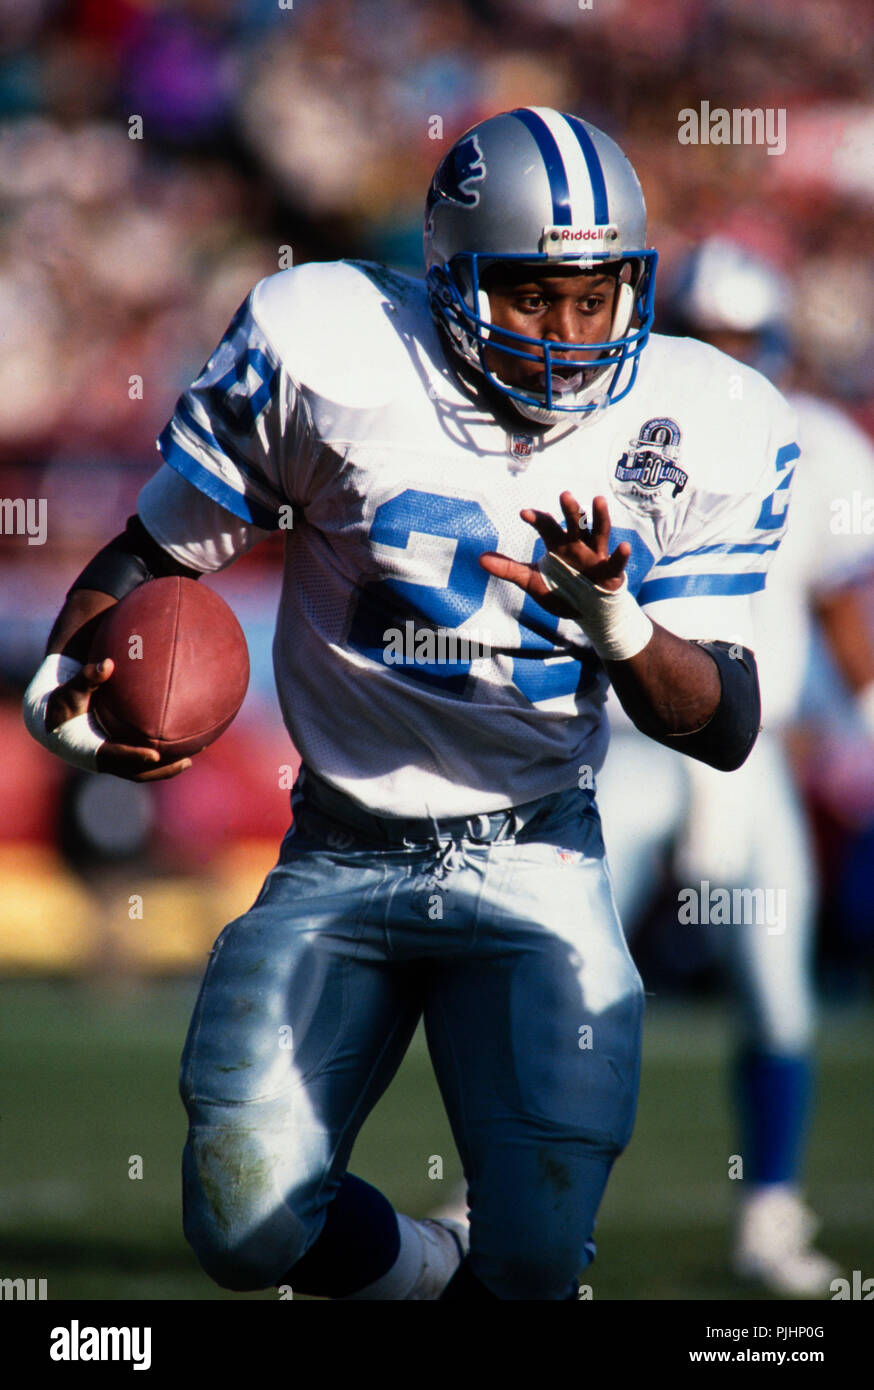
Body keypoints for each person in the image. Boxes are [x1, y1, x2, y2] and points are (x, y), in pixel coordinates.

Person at [23, 110, 794, 1300]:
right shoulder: (328, 349)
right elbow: (155, 555)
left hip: (537, 851)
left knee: (536, 1262)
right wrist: (63, 687)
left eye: (596, 298)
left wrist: (623, 629)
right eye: (533, 295)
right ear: (449, 279)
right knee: (246, 1225)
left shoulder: (700, 419)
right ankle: (433, 1274)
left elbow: (725, 723)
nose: (569, 333)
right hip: (340, 849)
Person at [594, 238, 874, 1295]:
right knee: (554, 967)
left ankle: (769, 1209)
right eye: (705, 336)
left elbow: (839, 606)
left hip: (738, 755)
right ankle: (497, 1184)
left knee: (774, 987)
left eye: (739, 339)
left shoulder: (824, 448)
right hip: (623, 743)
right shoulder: (608, 425)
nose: (722, 359)